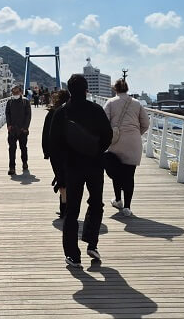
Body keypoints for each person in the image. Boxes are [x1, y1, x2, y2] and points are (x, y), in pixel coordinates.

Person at [49, 74, 112, 268]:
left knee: (72, 211)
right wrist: (96, 150)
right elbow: (108, 136)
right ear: (86, 90)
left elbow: (54, 147)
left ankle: (73, 255)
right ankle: (92, 243)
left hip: (71, 167)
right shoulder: (96, 110)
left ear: (69, 90)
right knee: (96, 203)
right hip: (94, 165)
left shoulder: (61, 113)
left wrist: (59, 176)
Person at [104, 78, 149, 217]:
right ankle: (127, 208)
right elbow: (146, 123)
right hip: (133, 142)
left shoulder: (110, 103)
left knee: (116, 172)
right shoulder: (137, 103)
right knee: (129, 175)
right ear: (127, 89)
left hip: (116, 142)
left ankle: (118, 200)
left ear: (115, 89)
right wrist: (136, 134)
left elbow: (104, 122)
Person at [42, 89, 70, 217]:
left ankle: (63, 205)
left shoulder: (52, 113)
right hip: (71, 151)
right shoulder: (73, 111)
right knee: (69, 179)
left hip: (55, 152)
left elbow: (45, 134)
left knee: (61, 178)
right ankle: (67, 205)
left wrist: (46, 152)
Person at [5, 85, 31, 175]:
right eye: (13, 92)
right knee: (12, 149)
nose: (15, 94)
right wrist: (8, 125)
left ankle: (25, 163)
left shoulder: (26, 102)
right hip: (12, 129)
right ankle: (12, 167)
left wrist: (25, 127)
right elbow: (7, 114)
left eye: (16, 92)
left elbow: (28, 115)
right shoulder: (9, 102)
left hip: (23, 129)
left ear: (20, 92)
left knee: (23, 148)